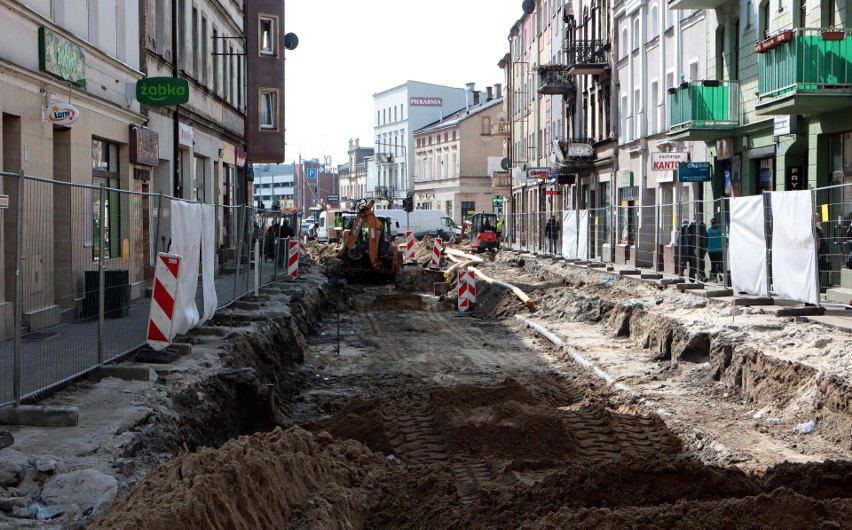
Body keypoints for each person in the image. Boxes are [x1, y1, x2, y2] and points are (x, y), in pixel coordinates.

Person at [706, 218, 723, 283]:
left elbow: (706, 237)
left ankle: (716, 279)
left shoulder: (708, 230)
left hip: (711, 249)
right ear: (716, 223)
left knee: (713, 263)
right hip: (719, 249)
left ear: (711, 223)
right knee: (718, 262)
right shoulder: (720, 230)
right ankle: (719, 273)